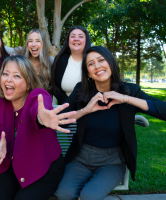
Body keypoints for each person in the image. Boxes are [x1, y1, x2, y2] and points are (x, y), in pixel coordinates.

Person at [55, 46, 166, 200]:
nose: (98, 66)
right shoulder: (81, 90)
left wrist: (125, 99)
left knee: (89, 196)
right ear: (88, 73)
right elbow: (60, 120)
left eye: (101, 60)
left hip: (112, 161)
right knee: (63, 194)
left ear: (111, 63)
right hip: (80, 157)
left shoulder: (130, 91)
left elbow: (163, 110)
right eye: (91, 63)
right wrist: (86, 110)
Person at [0, 55, 77, 200]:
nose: (8, 79)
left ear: (28, 83)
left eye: (16, 76)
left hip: (42, 167)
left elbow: (40, 110)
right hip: (9, 164)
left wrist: (42, 118)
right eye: (5, 74)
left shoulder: (38, 95)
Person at [51, 25, 91, 104]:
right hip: (65, 107)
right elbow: (54, 85)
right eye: (73, 36)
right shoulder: (60, 59)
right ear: (68, 40)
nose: (76, 39)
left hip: (90, 107)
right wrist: (68, 103)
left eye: (81, 36)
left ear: (86, 40)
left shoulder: (93, 60)